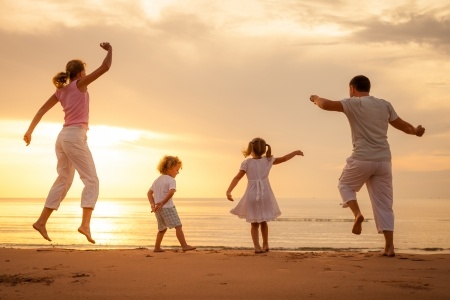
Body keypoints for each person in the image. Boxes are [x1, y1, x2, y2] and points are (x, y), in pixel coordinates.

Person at [309, 75, 425, 257]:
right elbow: (404, 126)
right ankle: (389, 247)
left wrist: (315, 98)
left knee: (345, 185)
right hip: (384, 161)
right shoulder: (384, 104)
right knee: (384, 205)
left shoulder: (354, 103)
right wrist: (416, 131)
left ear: (353, 89)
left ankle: (357, 214)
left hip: (362, 158)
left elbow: (325, 105)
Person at [24, 42, 113, 244]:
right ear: (80, 74)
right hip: (74, 136)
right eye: (84, 72)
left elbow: (40, 111)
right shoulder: (79, 85)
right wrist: (110, 50)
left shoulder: (61, 91)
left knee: (63, 180)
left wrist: (30, 131)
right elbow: (105, 68)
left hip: (62, 137)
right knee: (92, 179)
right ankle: (85, 224)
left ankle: (41, 221)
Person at [226, 137, 303, 254]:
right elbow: (284, 159)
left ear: (251, 149)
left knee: (254, 223)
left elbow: (237, 177)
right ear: (263, 149)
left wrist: (229, 191)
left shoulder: (246, 163)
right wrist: (295, 152)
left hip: (252, 194)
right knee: (264, 221)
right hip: (265, 193)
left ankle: (257, 247)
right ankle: (266, 244)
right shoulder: (268, 160)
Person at [147, 155, 196, 252]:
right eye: (177, 170)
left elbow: (149, 193)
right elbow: (171, 192)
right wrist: (162, 202)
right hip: (168, 207)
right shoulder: (171, 180)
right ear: (170, 168)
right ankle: (184, 245)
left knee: (162, 229)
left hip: (158, 209)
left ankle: (157, 247)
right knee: (178, 226)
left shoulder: (157, 180)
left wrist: (153, 204)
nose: (178, 172)